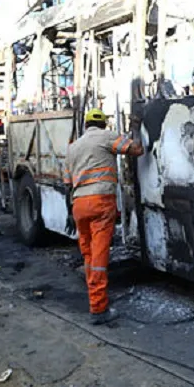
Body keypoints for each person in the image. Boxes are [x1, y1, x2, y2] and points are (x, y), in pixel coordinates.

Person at [64, 108, 143, 325]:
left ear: (86, 124)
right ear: (103, 124)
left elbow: (67, 184)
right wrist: (135, 127)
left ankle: (94, 295)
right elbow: (136, 149)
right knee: (99, 257)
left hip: (78, 205)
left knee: (89, 254)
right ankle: (98, 309)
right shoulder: (107, 137)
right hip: (100, 202)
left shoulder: (73, 147)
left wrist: (69, 212)